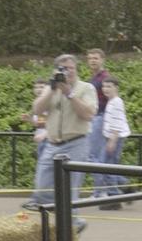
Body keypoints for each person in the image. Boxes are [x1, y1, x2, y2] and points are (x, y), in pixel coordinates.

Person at [28, 53, 96, 207]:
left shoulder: (86, 88)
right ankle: (58, 222)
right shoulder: (50, 89)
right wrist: (52, 90)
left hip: (76, 143)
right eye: (64, 69)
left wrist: (69, 93)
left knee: (69, 192)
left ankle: (73, 223)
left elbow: (88, 114)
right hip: (52, 145)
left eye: (71, 68)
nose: (68, 71)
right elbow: (37, 110)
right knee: (41, 189)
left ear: (77, 69)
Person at [93, 77, 131, 208]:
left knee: (107, 167)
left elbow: (117, 122)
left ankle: (114, 197)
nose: (105, 89)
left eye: (109, 86)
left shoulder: (116, 102)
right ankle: (125, 187)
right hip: (111, 138)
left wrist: (112, 140)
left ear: (116, 87)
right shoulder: (112, 101)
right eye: (104, 86)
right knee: (109, 166)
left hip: (114, 138)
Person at [22, 78, 48, 204]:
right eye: (37, 87)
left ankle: (38, 197)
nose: (39, 90)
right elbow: (40, 123)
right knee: (42, 168)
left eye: (42, 87)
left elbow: (52, 123)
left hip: (47, 139)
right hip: (41, 137)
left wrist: (44, 135)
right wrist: (29, 119)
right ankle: (40, 197)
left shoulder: (47, 103)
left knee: (43, 168)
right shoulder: (38, 103)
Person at [84, 48, 109, 171]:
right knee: (95, 154)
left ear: (102, 60)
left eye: (95, 58)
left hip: (100, 117)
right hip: (93, 118)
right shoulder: (92, 79)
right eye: (90, 58)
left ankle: (100, 190)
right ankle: (122, 184)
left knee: (94, 155)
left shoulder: (105, 78)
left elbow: (111, 99)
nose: (92, 61)